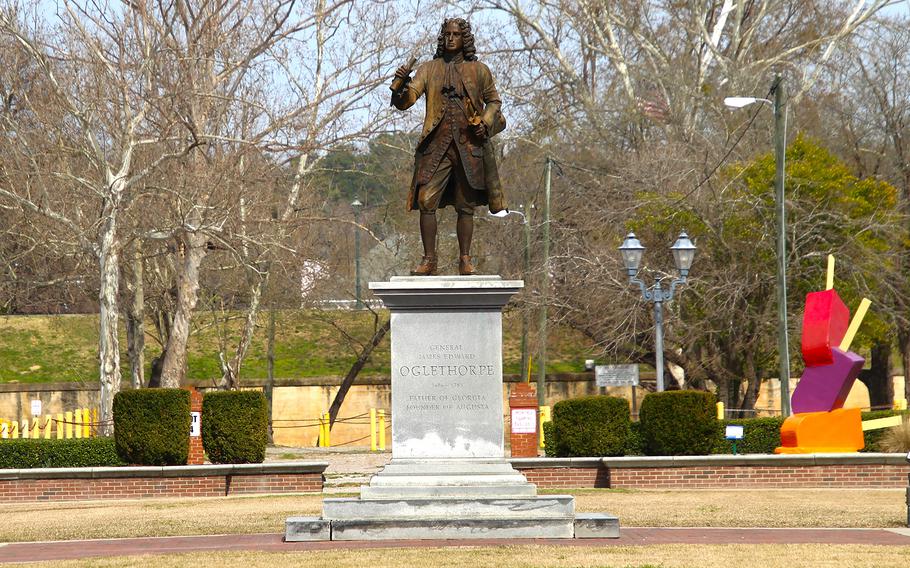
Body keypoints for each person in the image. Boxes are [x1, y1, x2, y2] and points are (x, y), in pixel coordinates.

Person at [391, 17, 507, 276]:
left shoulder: (479, 70)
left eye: (455, 34)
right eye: (447, 34)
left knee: (466, 206)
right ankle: (429, 259)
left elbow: (494, 101)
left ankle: (465, 259)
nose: (451, 38)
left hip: (467, 146)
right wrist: (399, 86)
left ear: (464, 38)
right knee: (425, 199)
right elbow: (407, 100)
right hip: (437, 146)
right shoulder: (429, 69)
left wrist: (485, 123)